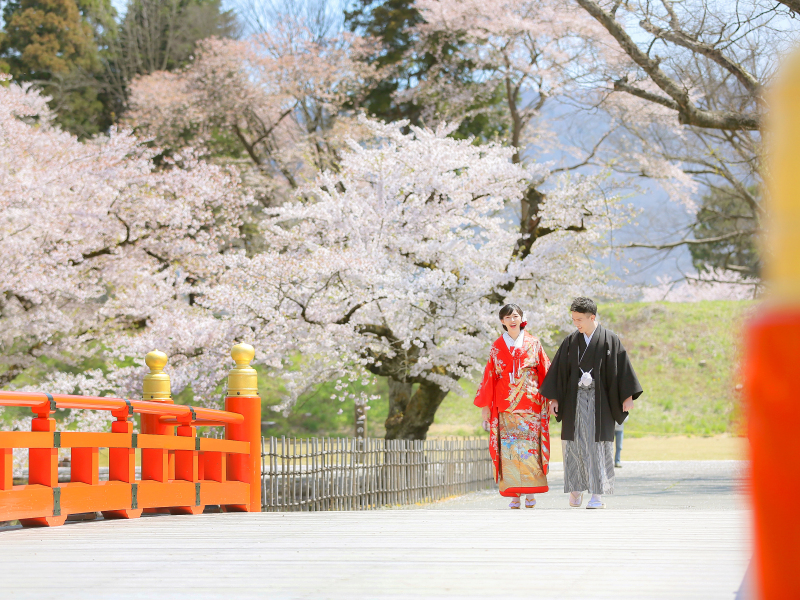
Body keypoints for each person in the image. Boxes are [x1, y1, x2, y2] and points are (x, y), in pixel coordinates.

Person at [539, 297, 642, 509]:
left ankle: (597, 495)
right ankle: (576, 489)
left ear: (592, 317)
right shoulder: (570, 342)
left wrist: (627, 396)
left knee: (599, 446)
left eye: (579, 319)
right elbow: (558, 371)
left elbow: (622, 368)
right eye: (574, 319)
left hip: (600, 400)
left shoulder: (610, 339)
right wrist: (554, 398)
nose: (576, 323)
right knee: (574, 444)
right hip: (574, 398)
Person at [474, 303, 552, 509]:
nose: (512, 320)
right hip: (505, 406)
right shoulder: (497, 346)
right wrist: (485, 406)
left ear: (521, 318)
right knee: (509, 451)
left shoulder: (534, 343)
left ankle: (530, 492)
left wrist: (553, 399)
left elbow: (546, 370)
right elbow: (489, 377)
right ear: (502, 321)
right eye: (507, 317)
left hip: (531, 404)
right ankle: (514, 494)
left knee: (530, 450)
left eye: (515, 316)